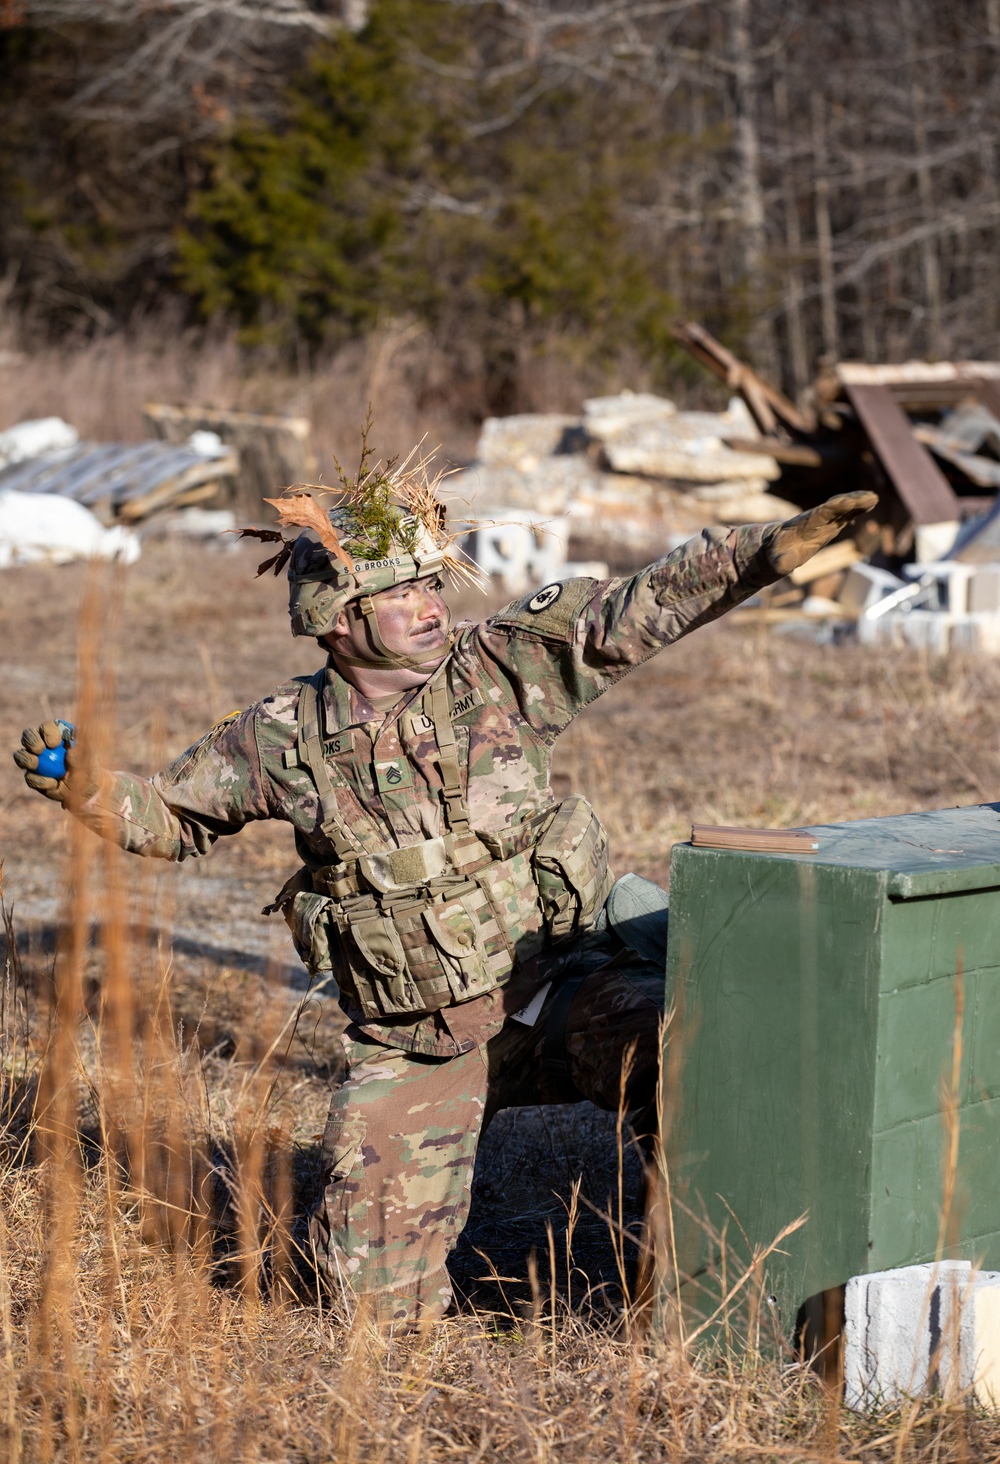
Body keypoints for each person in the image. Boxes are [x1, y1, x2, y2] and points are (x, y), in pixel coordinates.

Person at [13, 461, 877, 1321]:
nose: (432, 606)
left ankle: (701, 1283)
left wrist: (761, 552)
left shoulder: (501, 672)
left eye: (433, 583)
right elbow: (171, 815)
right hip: (420, 1037)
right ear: (337, 621)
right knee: (367, 1303)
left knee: (706, 1054)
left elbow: (632, 611)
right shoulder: (280, 739)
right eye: (402, 594)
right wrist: (85, 785)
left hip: (566, 991)